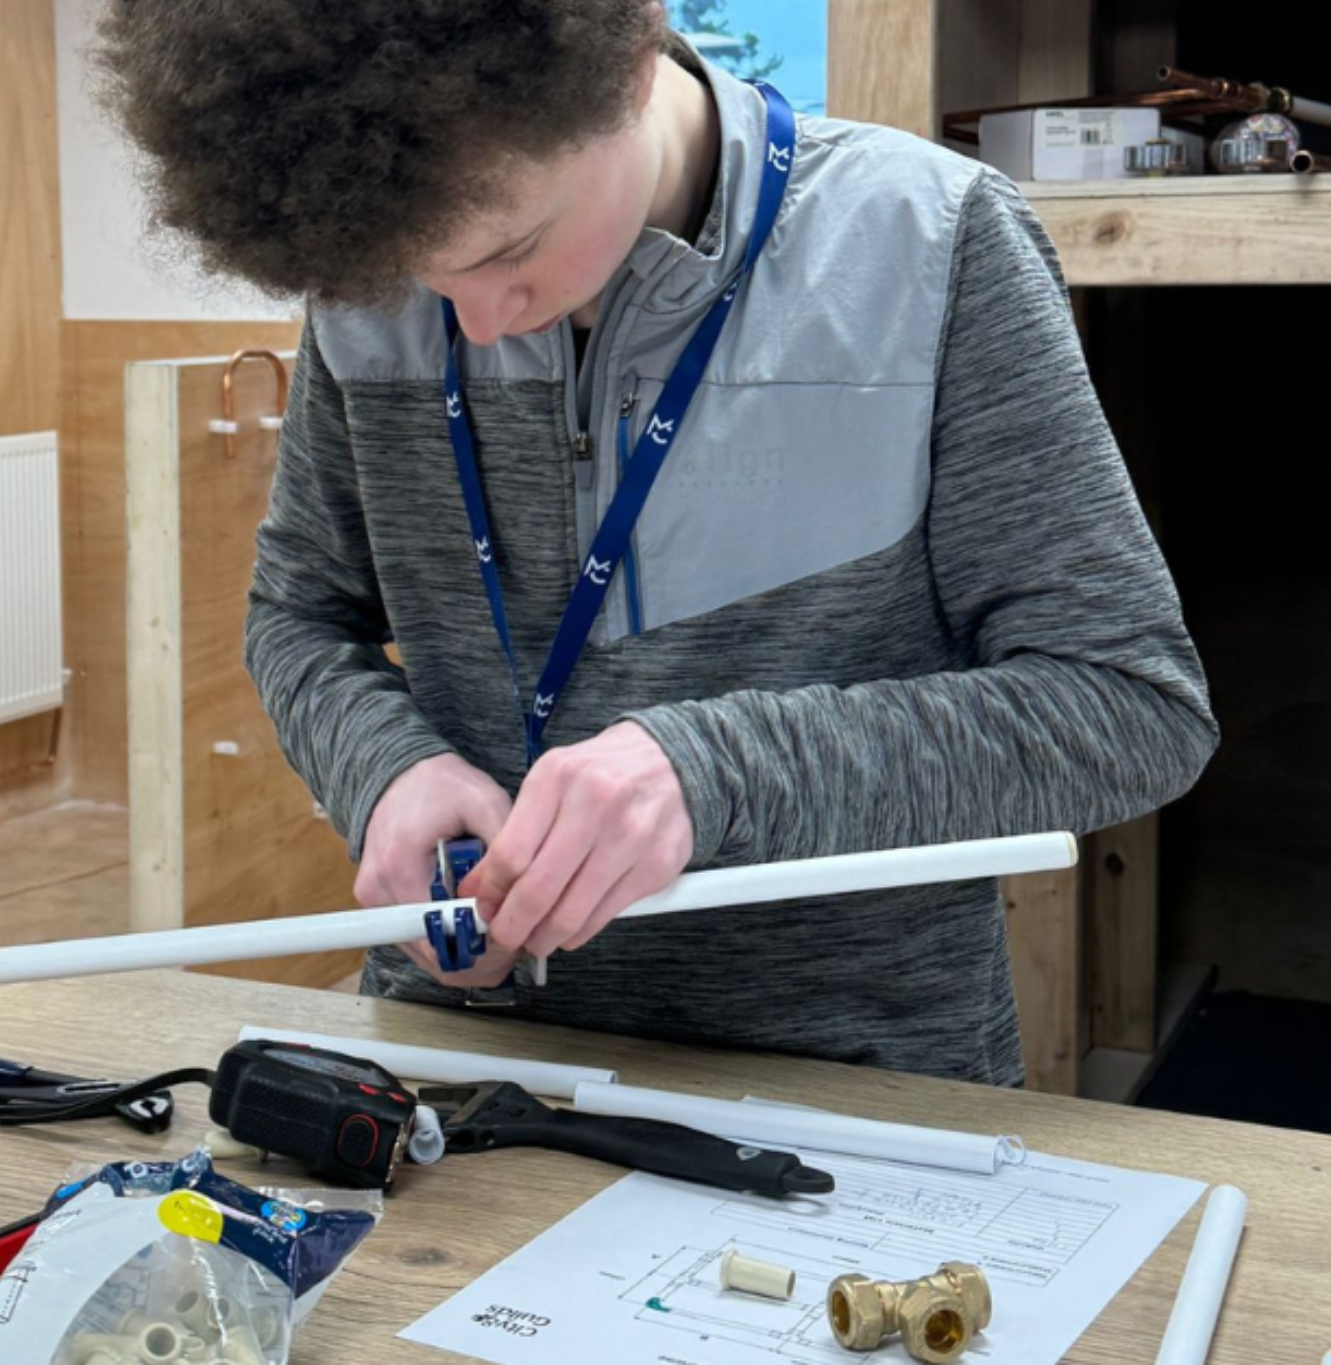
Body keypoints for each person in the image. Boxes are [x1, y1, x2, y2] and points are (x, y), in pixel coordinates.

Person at [94, 0, 1217, 1085]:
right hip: (460, 1068)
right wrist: (384, 768)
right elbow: (299, 617)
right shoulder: (383, 251)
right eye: (423, 282)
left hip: (845, 1090)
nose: (478, 320)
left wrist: (713, 772)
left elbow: (1126, 707)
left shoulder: (929, 241)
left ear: (629, 62)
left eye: (510, 249)